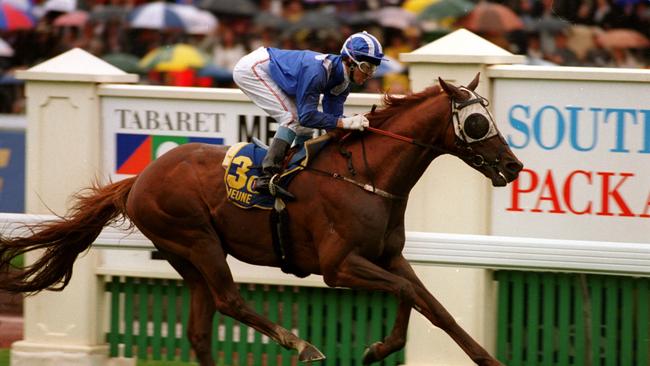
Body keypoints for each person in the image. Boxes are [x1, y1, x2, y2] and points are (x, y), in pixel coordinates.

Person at [232, 31, 384, 198]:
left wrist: (353, 131)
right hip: (252, 68)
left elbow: (330, 125)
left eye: (374, 68)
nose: (370, 74)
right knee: (293, 119)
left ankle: (296, 172)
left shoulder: (343, 83)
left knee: (304, 129)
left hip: (276, 71)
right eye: (366, 67)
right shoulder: (317, 72)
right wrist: (346, 123)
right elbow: (308, 116)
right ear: (349, 61)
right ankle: (265, 177)